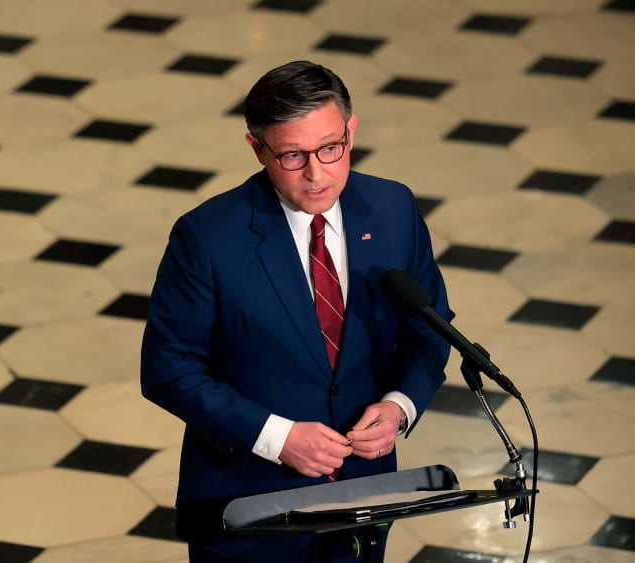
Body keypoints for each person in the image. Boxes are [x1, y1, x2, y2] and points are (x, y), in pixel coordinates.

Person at [140, 60, 454, 562]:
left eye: (331, 148)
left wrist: (399, 405)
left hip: (363, 499)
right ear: (256, 148)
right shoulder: (207, 237)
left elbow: (430, 330)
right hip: (245, 509)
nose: (316, 174)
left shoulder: (393, 209)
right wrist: (279, 438)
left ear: (351, 130)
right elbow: (169, 370)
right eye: (292, 155)